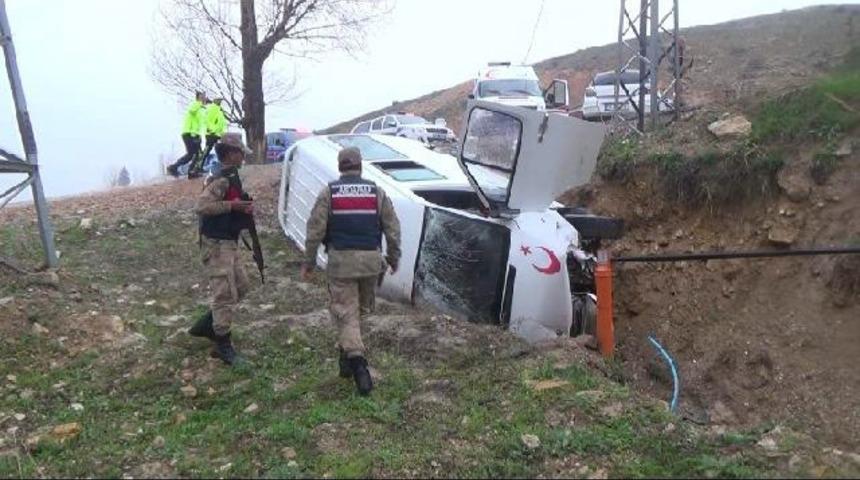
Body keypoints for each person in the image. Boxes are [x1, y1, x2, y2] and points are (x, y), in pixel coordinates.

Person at [301, 147, 401, 396]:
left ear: (340, 167)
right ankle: (345, 361)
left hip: (341, 263)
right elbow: (392, 228)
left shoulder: (329, 193)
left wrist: (309, 262)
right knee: (360, 313)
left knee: (346, 315)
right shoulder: (376, 192)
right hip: (370, 263)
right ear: (360, 165)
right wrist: (393, 257)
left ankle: (358, 366)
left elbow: (314, 231)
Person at [188, 132, 254, 365]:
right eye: (240, 154)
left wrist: (240, 207)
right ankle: (223, 345)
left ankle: (210, 325)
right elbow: (202, 206)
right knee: (224, 294)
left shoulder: (230, 175)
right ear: (230, 154)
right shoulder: (221, 179)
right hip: (216, 245)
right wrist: (232, 206)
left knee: (242, 286)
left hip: (228, 241)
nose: (243, 158)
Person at [167, 91, 206, 177]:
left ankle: (194, 170)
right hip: (190, 134)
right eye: (203, 97)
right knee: (192, 154)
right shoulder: (194, 105)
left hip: (194, 134)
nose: (204, 98)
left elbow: (200, 121)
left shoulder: (200, 108)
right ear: (199, 97)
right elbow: (192, 110)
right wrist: (200, 103)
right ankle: (177, 168)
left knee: (197, 154)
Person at [190, 98, 228, 178]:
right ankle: (197, 168)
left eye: (220, 101)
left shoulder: (219, 110)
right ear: (215, 101)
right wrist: (212, 129)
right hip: (212, 134)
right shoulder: (212, 109)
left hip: (218, 134)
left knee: (222, 150)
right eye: (219, 101)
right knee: (206, 151)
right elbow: (207, 120)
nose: (220, 102)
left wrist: (223, 131)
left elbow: (221, 122)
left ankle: (224, 166)